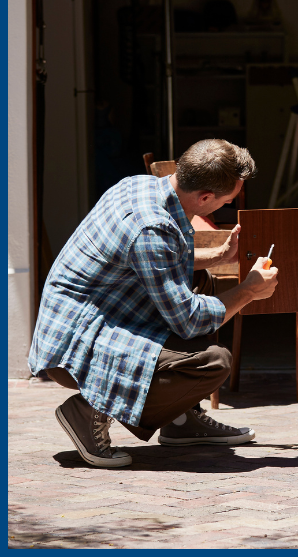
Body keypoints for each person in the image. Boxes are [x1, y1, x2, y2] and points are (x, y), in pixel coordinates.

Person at [29, 139, 279, 468]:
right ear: (205, 197)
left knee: (200, 283)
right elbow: (188, 319)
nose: (225, 207)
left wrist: (217, 256)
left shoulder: (140, 185)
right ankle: (88, 410)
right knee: (211, 364)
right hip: (74, 345)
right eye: (227, 201)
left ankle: (180, 422)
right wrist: (248, 291)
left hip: (92, 315)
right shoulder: (153, 227)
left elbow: (158, 261)